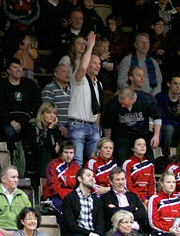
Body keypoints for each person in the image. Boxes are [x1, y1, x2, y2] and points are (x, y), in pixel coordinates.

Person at [0, 58, 42, 152]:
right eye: (15, 67)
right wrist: (11, 121)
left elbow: (37, 102)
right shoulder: (1, 86)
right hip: (8, 121)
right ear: (8, 71)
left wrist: (32, 117)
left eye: (20, 67)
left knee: (34, 131)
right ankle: (12, 161)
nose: (19, 70)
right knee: (8, 131)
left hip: (28, 119)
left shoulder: (29, 84)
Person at [68, 32, 103, 166]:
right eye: (94, 62)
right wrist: (90, 48)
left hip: (93, 126)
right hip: (78, 125)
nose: (97, 65)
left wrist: (97, 127)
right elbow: (82, 67)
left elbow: (97, 108)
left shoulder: (98, 83)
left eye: (99, 63)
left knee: (95, 162)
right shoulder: (79, 79)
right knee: (77, 161)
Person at [103, 87, 162, 164]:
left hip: (142, 134)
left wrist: (156, 136)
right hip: (121, 136)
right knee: (120, 160)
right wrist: (108, 142)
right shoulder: (113, 103)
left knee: (148, 161)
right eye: (121, 103)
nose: (122, 106)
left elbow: (157, 117)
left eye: (125, 104)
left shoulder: (146, 99)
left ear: (133, 98)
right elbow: (107, 125)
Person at [61, 168, 105, 236]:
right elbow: (70, 224)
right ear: (80, 179)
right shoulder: (70, 198)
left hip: (93, 235)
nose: (92, 178)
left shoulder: (96, 200)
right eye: (88, 176)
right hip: (76, 234)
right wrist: (89, 234)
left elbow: (101, 222)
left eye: (93, 176)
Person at [0, 165, 32, 236]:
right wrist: (4, 232)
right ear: (4, 179)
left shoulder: (22, 196)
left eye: (17, 177)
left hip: (20, 232)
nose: (16, 180)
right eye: (13, 177)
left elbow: (30, 217)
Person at [24, 101, 63, 181]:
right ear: (42, 114)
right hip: (33, 159)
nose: (52, 116)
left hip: (47, 159)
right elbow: (35, 148)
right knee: (47, 156)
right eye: (49, 113)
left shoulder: (54, 129)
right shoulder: (32, 127)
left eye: (54, 113)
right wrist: (51, 150)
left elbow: (57, 148)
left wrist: (50, 129)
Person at [148, 172, 180, 236]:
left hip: (175, 233)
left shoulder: (179, 202)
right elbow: (153, 222)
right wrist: (169, 229)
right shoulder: (155, 199)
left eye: (173, 182)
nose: (172, 185)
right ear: (162, 183)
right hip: (160, 233)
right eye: (168, 182)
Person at [44, 141, 79, 211]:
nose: (69, 156)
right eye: (66, 152)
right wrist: (69, 195)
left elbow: (78, 185)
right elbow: (53, 187)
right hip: (55, 196)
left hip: (71, 197)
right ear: (61, 153)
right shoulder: (53, 164)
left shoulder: (76, 166)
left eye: (71, 153)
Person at [122, 137, 156, 203]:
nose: (142, 146)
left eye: (144, 144)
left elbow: (152, 185)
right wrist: (143, 200)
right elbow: (127, 186)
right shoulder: (127, 163)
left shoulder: (150, 165)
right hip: (133, 197)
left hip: (148, 198)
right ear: (133, 148)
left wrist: (152, 201)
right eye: (139, 144)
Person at [41, 64, 71, 136]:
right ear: (56, 74)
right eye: (64, 71)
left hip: (72, 127)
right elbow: (48, 110)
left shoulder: (72, 89)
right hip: (55, 127)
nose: (67, 74)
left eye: (68, 72)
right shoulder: (49, 88)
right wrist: (60, 126)